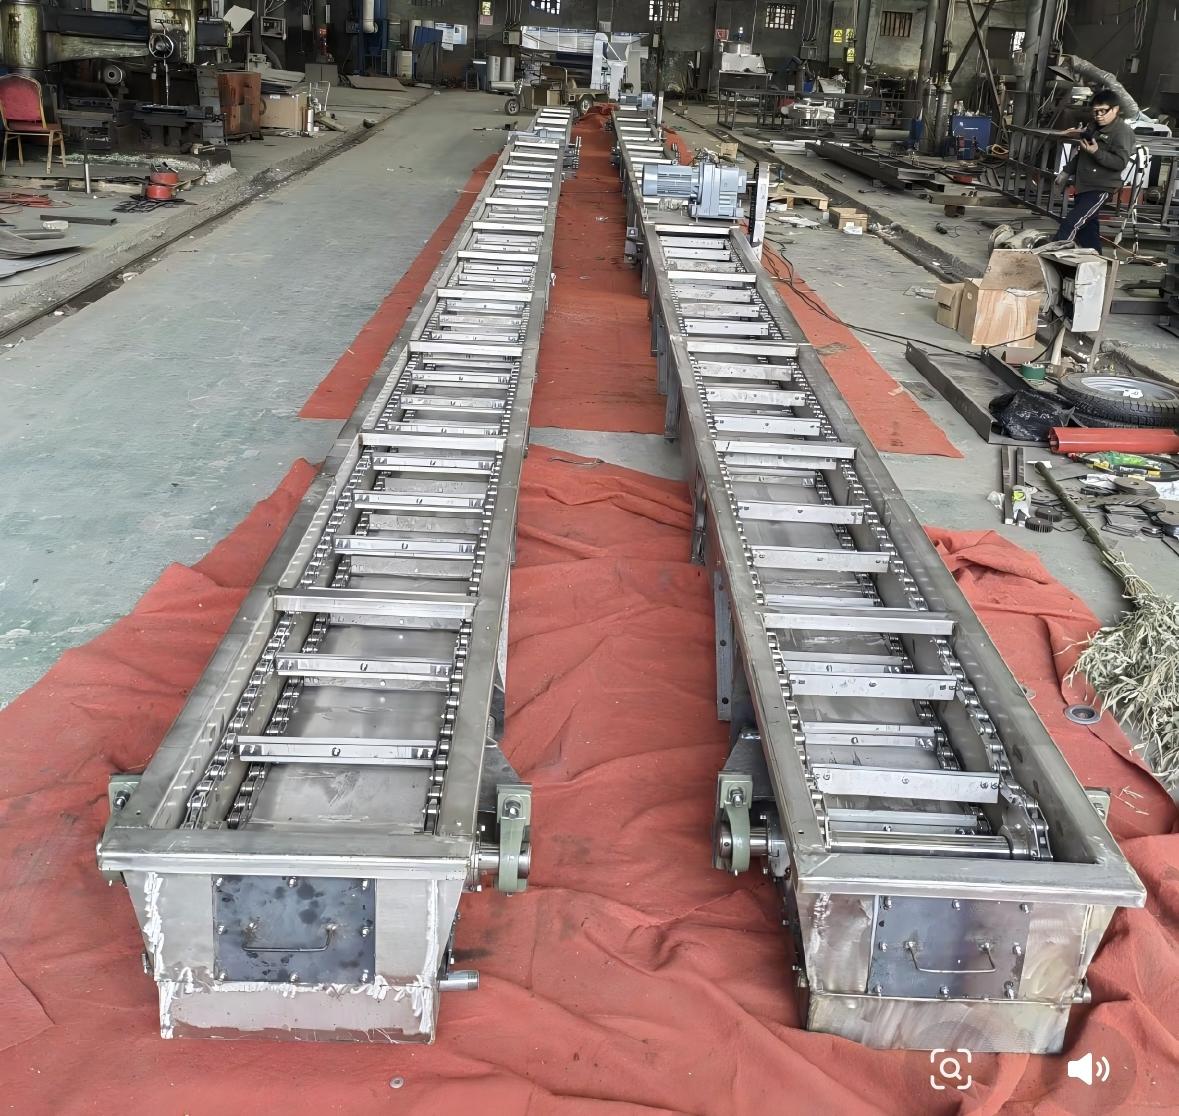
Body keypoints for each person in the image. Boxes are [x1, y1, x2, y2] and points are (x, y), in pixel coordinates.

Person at [1054, 90, 1136, 252]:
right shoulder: (1093, 126)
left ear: (1115, 109)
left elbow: (1120, 162)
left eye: (1103, 111)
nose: (1099, 115)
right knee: (1088, 232)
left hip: (1100, 187)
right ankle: (1096, 260)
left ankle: (1049, 254)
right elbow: (1082, 155)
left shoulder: (1122, 132)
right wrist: (1066, 172)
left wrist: (1097, 152)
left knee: (1071, 224)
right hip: (1084, 185)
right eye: (1095, 111)